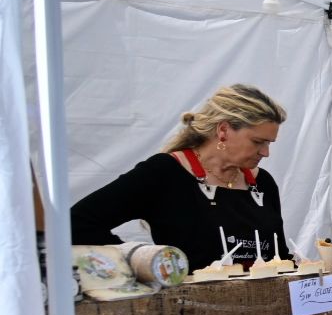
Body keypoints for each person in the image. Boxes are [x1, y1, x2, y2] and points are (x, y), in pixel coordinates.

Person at [71, 84, 291, 269]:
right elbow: (77, 223)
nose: (265, 152)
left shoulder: (262, 183)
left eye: (268, 143)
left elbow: (279, 256)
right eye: (257, 142)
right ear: (223, 130)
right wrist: (139, 260)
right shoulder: (165, 173)